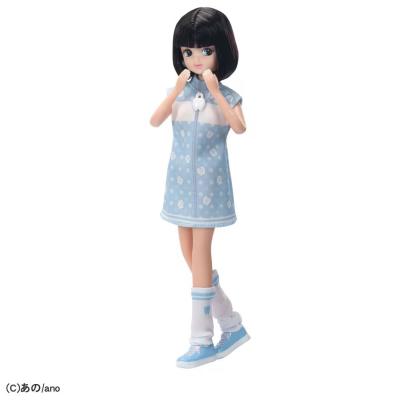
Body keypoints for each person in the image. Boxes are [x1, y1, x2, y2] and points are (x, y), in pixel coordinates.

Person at [150, 7, 250, 368]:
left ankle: (202, 338)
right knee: (190, 256)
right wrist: (177, 90)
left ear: (222, 51)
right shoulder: (178, 93)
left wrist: (216, 92)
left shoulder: (229, 96)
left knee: (201, 254)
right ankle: (231, 322)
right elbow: (155, 120)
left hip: (210, 186)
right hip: (178, 184)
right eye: (188, 51)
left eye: (205, 51)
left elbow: (239, 127)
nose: (196, 59)